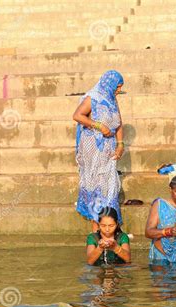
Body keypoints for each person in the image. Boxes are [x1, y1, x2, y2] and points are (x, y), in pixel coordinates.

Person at [73, 70, 125, 232]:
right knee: (95, 184)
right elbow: (77, 115)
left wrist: (121, 144)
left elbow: (119, 123)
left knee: (110, 185)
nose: (118, 90)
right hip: (92, 149)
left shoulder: (112, 99)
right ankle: (96, 228)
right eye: (117, 87)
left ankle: (109, 225)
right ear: (109, 84)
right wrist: (99, 126)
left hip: (108, 149)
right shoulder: (92, 98)